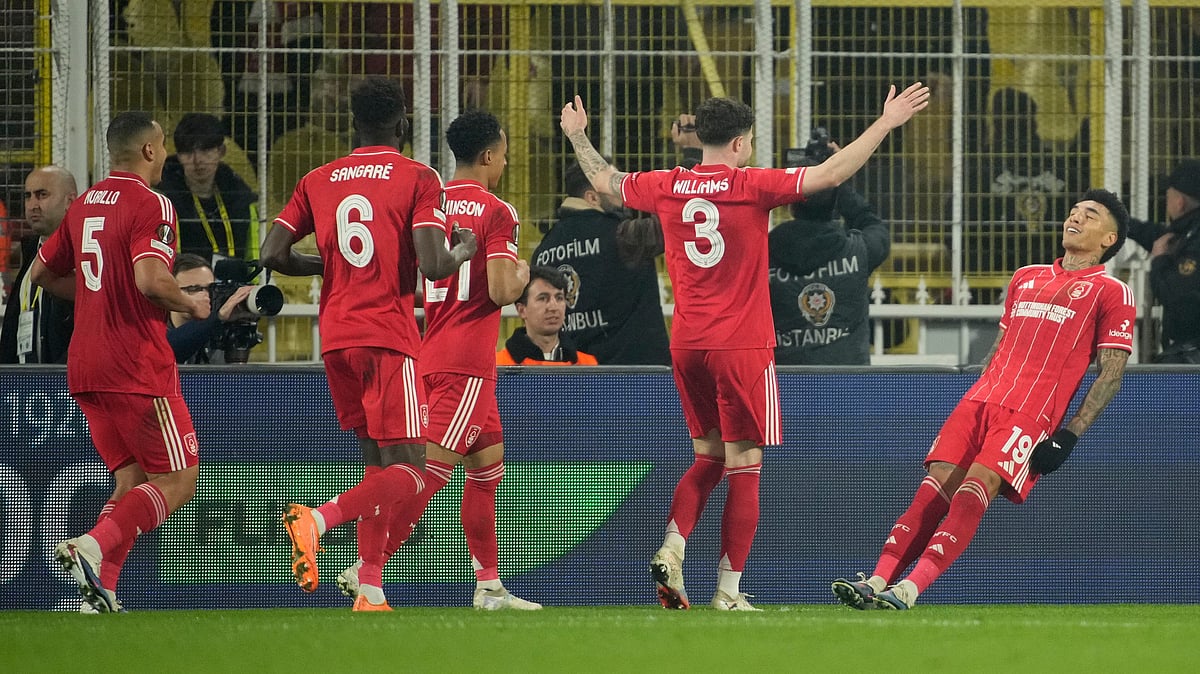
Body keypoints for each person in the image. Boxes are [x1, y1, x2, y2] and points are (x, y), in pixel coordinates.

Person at [560, 83, 930, 610]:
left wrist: (578, 135)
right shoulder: (751, 185)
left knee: (707, 456)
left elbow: (604, 180)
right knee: (745, 462)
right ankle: (728, 591)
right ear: (738, 144)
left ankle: (674, 544)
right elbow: (830, 175)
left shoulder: (666, 185)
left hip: (686, 344)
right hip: (741, 346)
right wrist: (885, 122)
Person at [831, 189, 1133, 610]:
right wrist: (975, 388)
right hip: (981, 399)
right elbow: (1002, 342)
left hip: (1031, 411)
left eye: (1090, 215)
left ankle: (909, 589)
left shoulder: (1111, 291)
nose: (1074, 218)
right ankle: (877, 579)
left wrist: (1069, 435)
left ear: (1109, 239)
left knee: (976, 489)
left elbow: (1112, 370)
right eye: (1073, 211)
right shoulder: (1026, 276)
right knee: (931, 489)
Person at [260, 76, 476, 606]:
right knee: (411, 467)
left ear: (353, 124)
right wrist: (466, 247)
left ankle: (371, 586)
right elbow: (432, 263)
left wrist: (328, 265)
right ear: (403, 123)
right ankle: (317, 518)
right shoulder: (418, 177)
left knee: (376, 465)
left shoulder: (318, 178)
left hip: (336, 338)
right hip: (386, 335)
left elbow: (272, 253)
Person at [335, 109, 539, 611]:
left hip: (427, 347)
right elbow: (498, 287)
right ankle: (366, 568)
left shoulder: (426, 201)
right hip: (467, 358)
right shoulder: (498, 210)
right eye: (505, 154)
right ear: (489, 155)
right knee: (423, 474)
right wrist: (524, 272)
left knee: (487, 469)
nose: (505, 162)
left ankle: (489, 585)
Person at [30, 111, 211, 613]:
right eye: (164, 148)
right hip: (135, 363)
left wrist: (95, 299)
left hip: (85, 366)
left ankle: (99, 591)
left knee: (130, 480)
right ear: (150, 151)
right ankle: (91, 544)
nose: (167, 157)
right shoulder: (151, 203)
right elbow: (151, 280)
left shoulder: (85, 202)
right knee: (179, 480)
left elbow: (41, 273)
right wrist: (193, 304)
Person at [532, 161, 670, 365]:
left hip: (575, 379)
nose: (622, 194)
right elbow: (678, 220)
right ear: (592, 197)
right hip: (639, 376)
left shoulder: (543, 251)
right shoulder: (624, 236)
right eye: (613, 186)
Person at [769, 152, 890, 365]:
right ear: (835, 203)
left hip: (784, 382)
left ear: (790, 205)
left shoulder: (764, 255)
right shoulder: (857, 250)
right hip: (848, 384)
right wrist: (836, 176)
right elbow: (873, 225)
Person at [156, 112, 260, 262]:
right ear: (178, 156)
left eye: (205, 150)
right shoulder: (162, 199)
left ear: (221, 151)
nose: (197, 160)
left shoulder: (241, 197)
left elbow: (254, 259)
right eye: (188, 152)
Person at [1, 166, 77, 364]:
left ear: (70, 201)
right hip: (24, 382)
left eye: (42, 195)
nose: (32, 204)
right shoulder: (31, 250)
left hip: (63, 384)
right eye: (28, 196)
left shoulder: (84, 256)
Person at [1127, 158, 1200, 363]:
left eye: (1167, 197)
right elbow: (1160, 236)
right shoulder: (1189, 231)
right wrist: (1121, 222)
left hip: (1192, 355)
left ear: (1179, 202)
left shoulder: (1194, 240)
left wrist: (1159, 261)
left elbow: (1175, 295)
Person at [497, 266, 598, 366]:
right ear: (522, 310)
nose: (553, 307)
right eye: (543, 298)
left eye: (559, 298)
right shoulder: (498, 366)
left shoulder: (588, 366)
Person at [165, 253, 256, 364]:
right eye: (193, 288)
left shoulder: (222, 332)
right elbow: (167, 352)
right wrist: (217, 317)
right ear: (169, 292)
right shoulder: (153, 328)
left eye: (211, 288)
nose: (205, 295)